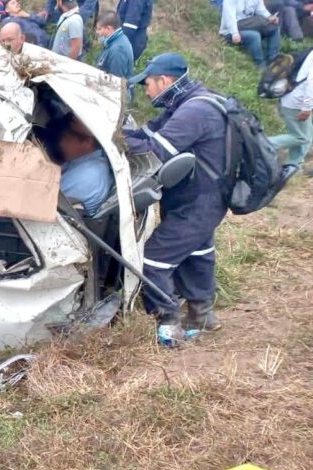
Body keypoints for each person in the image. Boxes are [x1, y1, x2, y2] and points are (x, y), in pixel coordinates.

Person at [123, 53, 230, 347]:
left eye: (147, 84)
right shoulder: (183, 103)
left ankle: (168, 320)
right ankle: (202, 314)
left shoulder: (195, 111)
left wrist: (115, 142)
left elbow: (156, 151)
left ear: (164, 80)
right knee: (198, 252)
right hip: (198, 198)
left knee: (152, 258)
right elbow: (147, 132)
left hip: (200, 201)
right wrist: (118, 131)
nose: (146, 90)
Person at [58, 117, 114, 216]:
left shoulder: (87, 175)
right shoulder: (86, 158)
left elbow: (46, 198)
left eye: (66, 137)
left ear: (87, 142)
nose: (60, 143)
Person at [269, 50, 313, 167]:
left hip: (294, 98)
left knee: (307, 134)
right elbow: (311, 83)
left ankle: (293, 165)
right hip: (297, 103)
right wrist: (307, 107)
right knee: (301, 137)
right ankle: (262, 144)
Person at [220, 0, 282, 68]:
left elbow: (261, 10)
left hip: (249, 25)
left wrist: (269, 16)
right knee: (254, 36)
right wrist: (234, 33)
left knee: (274, 28)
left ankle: (273, 59)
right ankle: (260, 64)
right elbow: (229, 17)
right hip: (230, 31)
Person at [95, 12, 136, 79]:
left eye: (99, 29)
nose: (97, 32)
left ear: (109, 28)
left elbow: (116, 80)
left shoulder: (118, 50)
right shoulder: (114, 41)